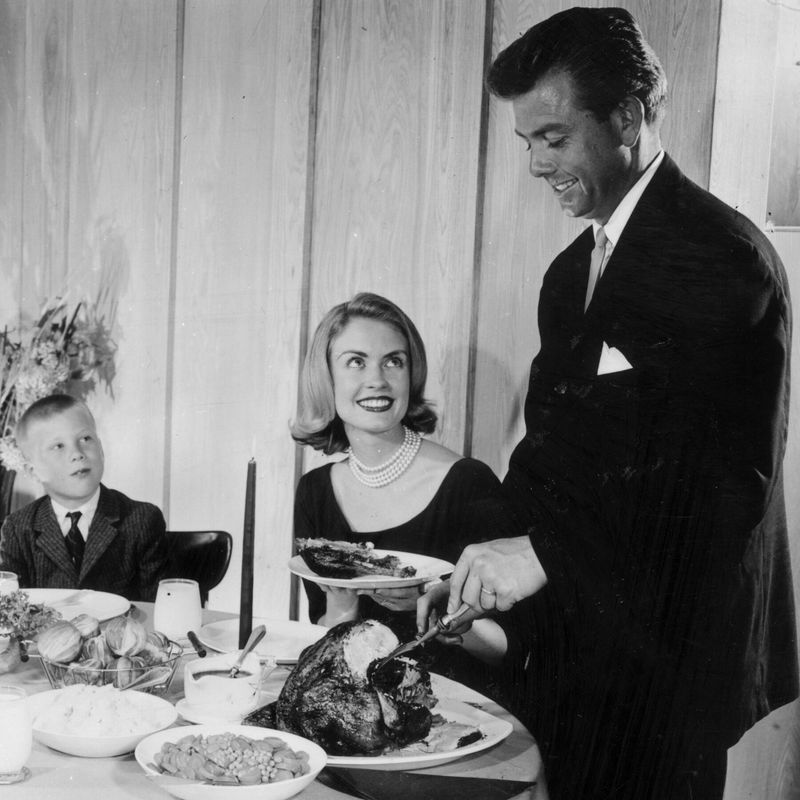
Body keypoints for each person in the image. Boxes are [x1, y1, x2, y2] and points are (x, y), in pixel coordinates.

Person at [419, 8, 798, 800]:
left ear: (626, 117)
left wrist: (541, 556)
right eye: (527, 142)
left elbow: (721, 490)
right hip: (574, 651)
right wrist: (473, 569)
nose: (536, 164)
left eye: (554, 138)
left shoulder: (724, 259)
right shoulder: (570, 274)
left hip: (664, 674)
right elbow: (554, 463)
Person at [290, 292, 508, 690]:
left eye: (394, 361)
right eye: (356, 362)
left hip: (461, 703)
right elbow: (327, 640)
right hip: (356, 701)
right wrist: (341, 605)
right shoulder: (315, 491)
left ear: (412, 375)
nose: (377, 379)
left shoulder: (468, 482)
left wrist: (437, 607)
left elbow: (507, 649)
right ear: (327, 377)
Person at [0, 394, 167, 602]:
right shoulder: (18, 527)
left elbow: (156, 607)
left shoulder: (142, 519)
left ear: (101, 449)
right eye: (58, 446)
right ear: (33, 471)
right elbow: (10, 608)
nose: (77, 453)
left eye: (85, 439)